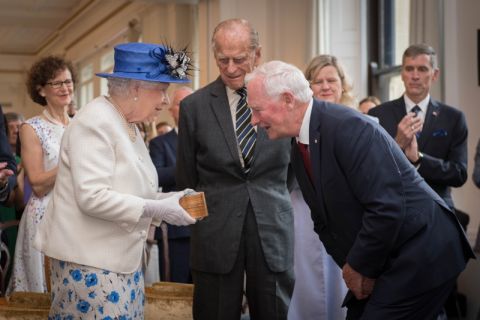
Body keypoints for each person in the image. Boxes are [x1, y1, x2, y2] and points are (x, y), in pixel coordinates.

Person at [245, 60, 474, 320]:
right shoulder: (300, 141)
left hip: (422, 250)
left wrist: (359, 267)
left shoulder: (347, 126)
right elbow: (323, 219)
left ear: (287, 100)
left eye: (257, 109)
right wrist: (350, 268)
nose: (254, 120)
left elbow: (387, 205)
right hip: (389, 252)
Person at [33, 42, 196, 319]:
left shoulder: (126, 123)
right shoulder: (94, 122)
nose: (166, 101)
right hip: (91, 266)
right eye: (161, 90)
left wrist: (169, 200)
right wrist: (157, 209)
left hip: (120, 264)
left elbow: (128, 190)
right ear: (135, 89)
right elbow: (92, 197)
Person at [176, 19, 294, 319]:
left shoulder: (284, 100)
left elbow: (293, 172)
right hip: (214, 235)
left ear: (257, 54)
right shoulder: (194, 107)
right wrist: (202, 225)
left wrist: (271, 197)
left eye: (239, 59)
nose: (230, 68)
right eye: (222, 60)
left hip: (271, 230)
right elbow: (187, 178)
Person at [288, 55, 352, 320]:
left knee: (342, 281)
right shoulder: (294, 125)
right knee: (307, 280)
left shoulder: (358, 120)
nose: (325, 86)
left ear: (342, 85)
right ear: (308, 87)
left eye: (331, 80)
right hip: (303, 211)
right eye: (318, 81)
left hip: (346, 214)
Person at [368, 44, 467, 211]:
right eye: (409, 69)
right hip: (392, 207)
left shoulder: (453, 118)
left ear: (435, 74)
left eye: (422, 69)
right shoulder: (378, 114)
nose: (414, 76)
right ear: (402, 73)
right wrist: (397, 145)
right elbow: (370, 167)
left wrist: (419, 159)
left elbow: (459, 173)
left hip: (437, 208)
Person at [7, 56, 76, 294]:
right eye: (57, 83)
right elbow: (36, 184)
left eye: (68, 81)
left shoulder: (81, 125)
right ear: (41, 90)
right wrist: (72, 161)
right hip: (46, 216)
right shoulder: (32, 128)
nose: (65, 87)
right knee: (46, 292)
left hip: (80, 214)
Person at [149, 86, 193, 283]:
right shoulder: (161, 143)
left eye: (190, 103)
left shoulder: (209, 139)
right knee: (175, 288)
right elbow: (155, 175)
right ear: (171, 110)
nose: (185, 108)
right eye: (179, 104)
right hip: (176, 230)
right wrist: (189, 166)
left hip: (210, 228)